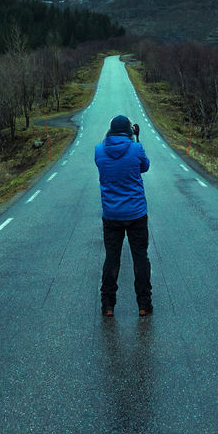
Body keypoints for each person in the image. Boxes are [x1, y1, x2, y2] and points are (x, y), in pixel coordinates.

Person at [94, 114, 152, 317]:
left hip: (111, 215)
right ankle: (144, 303)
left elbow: (103, 163)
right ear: (129, 131)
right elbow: (144, 166)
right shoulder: (136, 148)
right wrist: (136, 138)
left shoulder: (99, 150)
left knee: (112, 258)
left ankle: (107, 304)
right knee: (140, 258)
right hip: (136, 213)